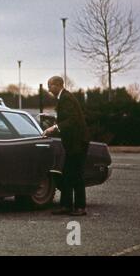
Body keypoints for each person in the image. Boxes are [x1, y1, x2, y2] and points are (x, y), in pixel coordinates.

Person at [43, 76, 89, 216]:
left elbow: (71, 120)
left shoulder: (66, 98)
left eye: (50, 85)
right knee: (68, 174)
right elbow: (67, 118)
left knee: (76, 175)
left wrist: (54, 128)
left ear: (57, 85)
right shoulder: (64, 98)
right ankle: (66, 206)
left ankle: (80, 207)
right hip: (73, 143)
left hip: (78, 143)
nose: (48, 89)